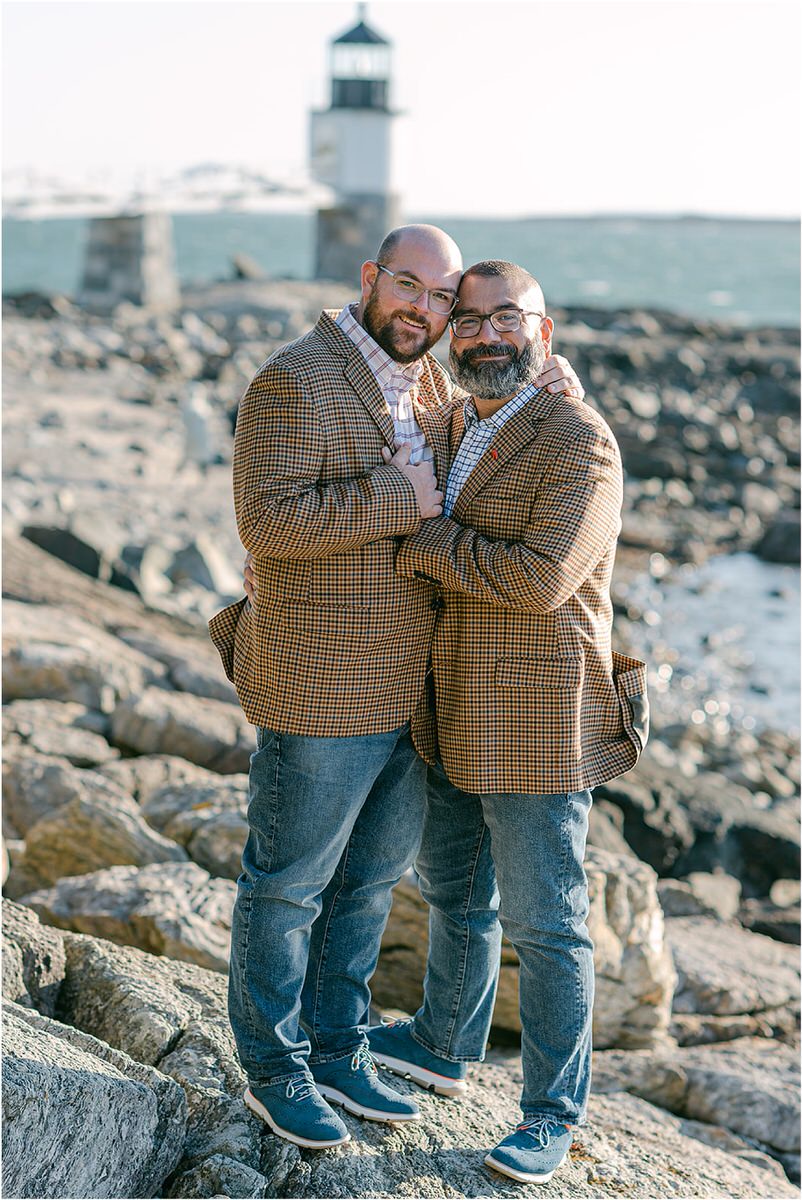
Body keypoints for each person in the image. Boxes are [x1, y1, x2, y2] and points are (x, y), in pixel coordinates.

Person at [210, 226, 582, 1150]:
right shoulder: (295, 377)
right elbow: (264, 519)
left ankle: (338, 1049)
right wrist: (393, 496)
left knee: (369, 889)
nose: (425, 307)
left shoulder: (431, 381)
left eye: (440, 296)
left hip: (410, 696)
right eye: (409, 286)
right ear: (372, 279)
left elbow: (503, 417)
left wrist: (557, 387)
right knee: (289, 887)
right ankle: (274, 1065)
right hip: (320, 685)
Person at [366, 260, 648, 1185]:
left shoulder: (579, 442)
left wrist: (425, 539)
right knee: (456, 895)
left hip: (537, 717)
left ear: (544, 329)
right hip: (450, 705)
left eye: (507, 320)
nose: (487, 334)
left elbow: (539, 578)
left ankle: (552, 1114)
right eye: (471, 320)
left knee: (551, 926)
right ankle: (444, 1042)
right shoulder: (464, 418)